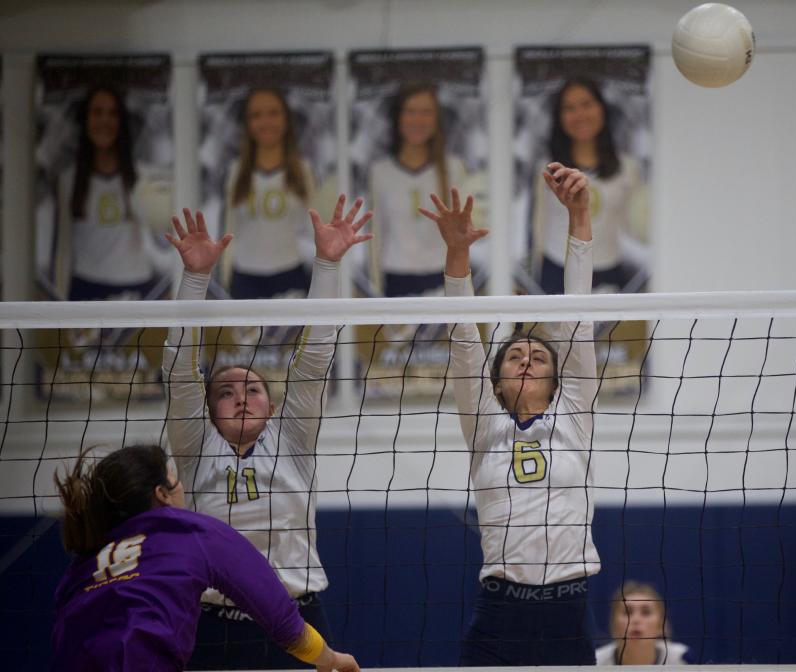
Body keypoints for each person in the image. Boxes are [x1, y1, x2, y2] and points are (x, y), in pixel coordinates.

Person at [162, 197, 371, 669]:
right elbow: (178, 369)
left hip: (298, 623)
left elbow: (315, 359)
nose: (240, 397)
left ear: (273, 406)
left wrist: (328, 264)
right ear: (208, 410)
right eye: (225, 392)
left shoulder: (291, 437)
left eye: (252, 389)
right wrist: (196, 278)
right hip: (214, 626)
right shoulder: (195, 446)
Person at [419, 163, 600, 666]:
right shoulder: (485, 425)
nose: (525, 359)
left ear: (558, 381)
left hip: (568, 611)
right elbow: (462, 339)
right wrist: (458, 254)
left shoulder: (574, 413)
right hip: (500, 611)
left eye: (538, 356)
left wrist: (579, 215)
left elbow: (578, 316)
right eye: (514, 356)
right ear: (495, 383)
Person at [51, 443, 359, 672]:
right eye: (176, 477)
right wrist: (329, 659)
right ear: (162, 494)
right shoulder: (189, 530)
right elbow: (282, 619)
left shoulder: (83, 563)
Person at [53, 86, 171, 301]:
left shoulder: (144, 176)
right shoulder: (68, 180)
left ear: (122, 122)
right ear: (85, 119)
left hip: (136, 287)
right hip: (84, 288)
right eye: (97, 112)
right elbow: (62, 249)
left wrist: (161, 223)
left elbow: (164, 242)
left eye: (113, 113)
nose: (104, 121)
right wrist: (60, 300)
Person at [531, 78, 647, 295]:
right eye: (569, 108)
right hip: (557, 270)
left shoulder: (628, 169)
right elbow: (538, 225)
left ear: (601, 108)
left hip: (608, 270)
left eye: (587, 104)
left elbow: (634, 227)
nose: (580, 115)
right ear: (559, 117)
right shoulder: (547, 170)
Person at [222, 88, 334, 299]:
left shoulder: (304, 170)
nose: (266, 122)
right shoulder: (235, 171)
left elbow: (314, 229)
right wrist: (227, 279)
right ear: (247, 124)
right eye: (256, 115)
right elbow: (230, 229)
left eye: (273, 113)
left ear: (286, 120)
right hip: (244, 279)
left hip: (290, 275)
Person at [368, 83, 467, 297]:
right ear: (398, 118)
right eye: (410, 112)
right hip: (395, 278)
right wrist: (377, 286)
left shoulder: (453, 169)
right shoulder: (380, 172)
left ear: (437, 120)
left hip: (441, 277)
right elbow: (376, 234)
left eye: (426, 112)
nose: (417, 120)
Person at [595, 581, 689, 665]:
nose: (636, 619)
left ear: (661, 625)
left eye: (646, 612)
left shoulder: (681, 658)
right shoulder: (596, 662)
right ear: (613, 624)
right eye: (627, 612)